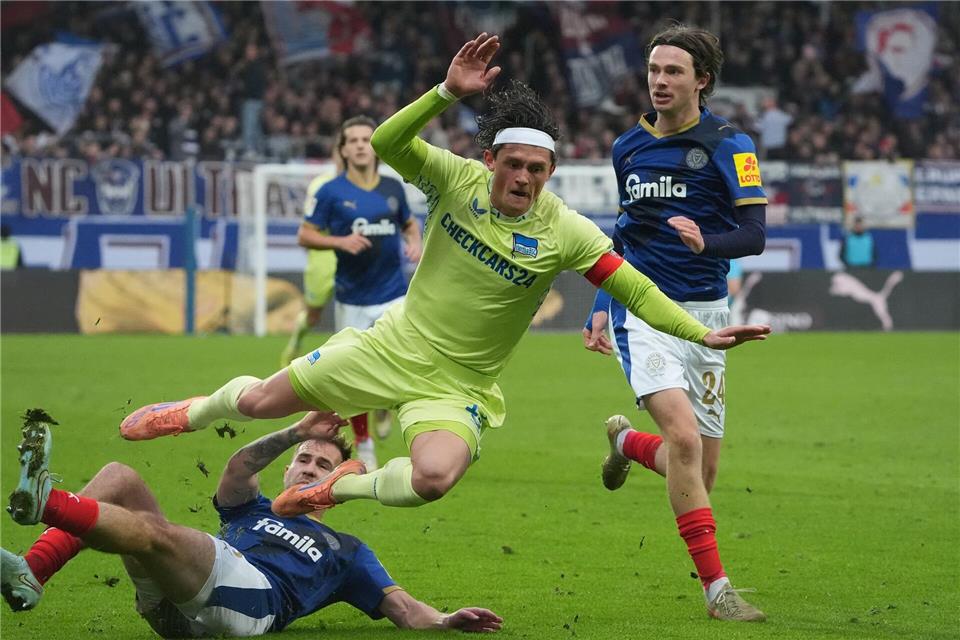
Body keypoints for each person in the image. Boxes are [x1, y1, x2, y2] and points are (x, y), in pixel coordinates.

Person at [119, 34, 768, 523]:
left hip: (460, 384)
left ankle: (335, 485)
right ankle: (193, 411)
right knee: (260, 401)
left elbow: (635, 287)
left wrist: (697, 334)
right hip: (389, 345)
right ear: (490, 160)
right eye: (513, 164)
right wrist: (446, 94)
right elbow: (393, 143)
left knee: (432, 479)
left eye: (537, 170)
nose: (523, 179)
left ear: (551, 172)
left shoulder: (565, 229)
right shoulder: (456, 181)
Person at [1, 410, 502, 636]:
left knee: (156, 535)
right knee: (119, 477)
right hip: (176, 611)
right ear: (286, 468)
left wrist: (445, 619)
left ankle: (48, 502)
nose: (308, 467)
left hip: (249, 604)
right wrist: (297, 431)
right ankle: (33, 570)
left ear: (338, 487)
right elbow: (239, 468)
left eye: (322, 466)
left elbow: (403, 609)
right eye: (303, 459)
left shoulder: (347, 552)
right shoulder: (249, 507)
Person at [582, 25, 768, 622]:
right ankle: (719, 593)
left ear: (701, 80)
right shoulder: (626, 147)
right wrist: (598, 304)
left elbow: (755, 235)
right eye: (654, 71)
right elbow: (625, 235)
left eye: (673, 73)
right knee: (685, 442)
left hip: (707, 316)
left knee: (700, 470)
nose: (659, 82)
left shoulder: (731, 145)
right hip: (641, 311)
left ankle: (625, 442)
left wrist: (705, 242)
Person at [280, 115, 423, 470]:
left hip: (394, 293)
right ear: (343, 149)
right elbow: (305, 235)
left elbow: (408, 223)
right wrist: (339, 241)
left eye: (365, 139)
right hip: (352, 297)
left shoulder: (392, 188)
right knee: (354, 372)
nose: (360, 144)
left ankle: (388, 407)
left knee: (407, 360)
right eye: (353, 140)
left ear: (374, 147)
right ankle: (366, 445)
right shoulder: (331, 192)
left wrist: (415, 242)